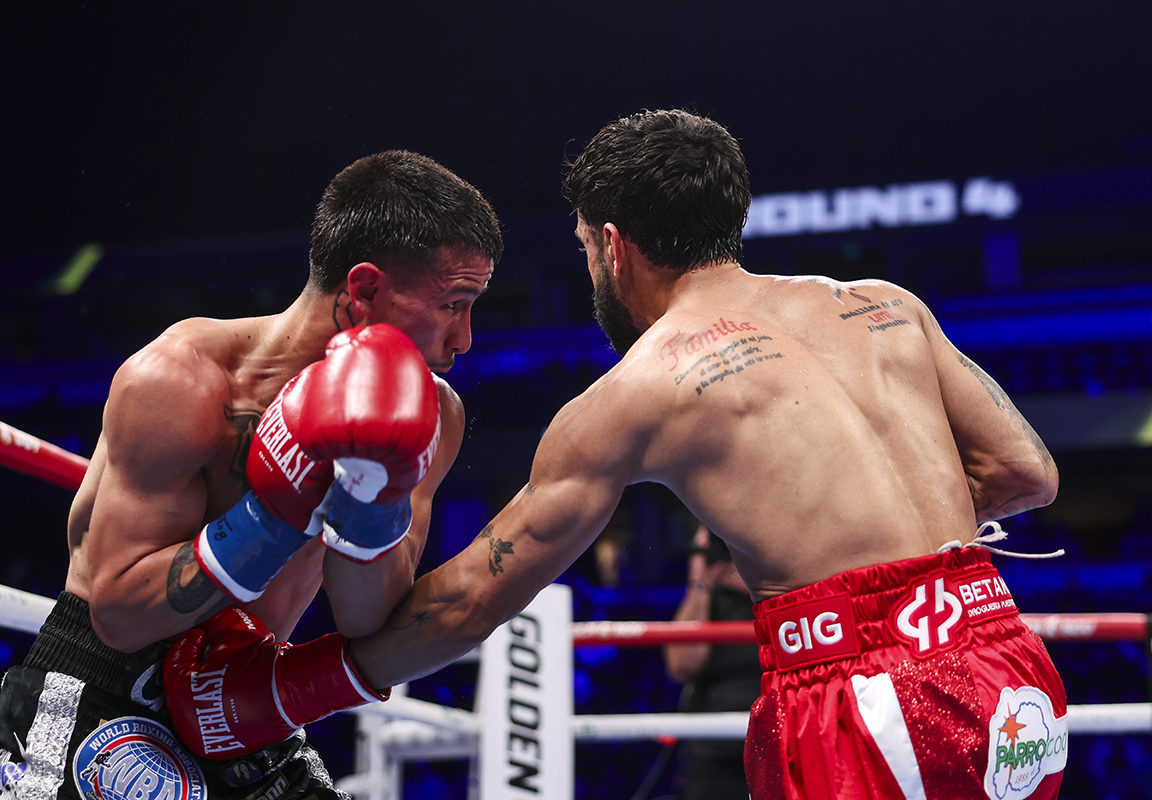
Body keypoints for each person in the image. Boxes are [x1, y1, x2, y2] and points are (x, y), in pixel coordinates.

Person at [168, 110, 1067, 800]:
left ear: (610, 245)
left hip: (875, 704)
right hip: (1005, 662)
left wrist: (286, 689)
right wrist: (888, 547)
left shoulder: (642, 389)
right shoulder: (886, 305)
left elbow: (469, 604)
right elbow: (1027, 473)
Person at [0, 150, 502, 800]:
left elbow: (368, 617)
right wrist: (278, 511)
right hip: (103, 692)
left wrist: (368, 495)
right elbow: (118, 615)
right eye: (454, 304)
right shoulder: (182, 381)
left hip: (244, 707)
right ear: (365, 290)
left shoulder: (434, 414)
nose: (464, 339)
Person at [664, 524, 758, 800]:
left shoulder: (789, 588)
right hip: (715, 744)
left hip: (783, 736)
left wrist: (758, 582)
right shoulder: (709, 595)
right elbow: (682, 665)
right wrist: (700, 581)